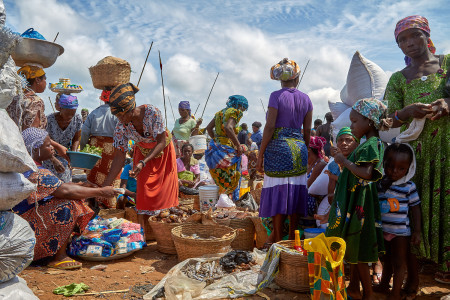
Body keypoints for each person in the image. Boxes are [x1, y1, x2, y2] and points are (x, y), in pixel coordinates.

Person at [384, 15, 449, 283]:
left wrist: (447, 102)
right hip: (413, 157)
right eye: (402, 40)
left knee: (446, 204)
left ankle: (446, 262)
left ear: (426, 35)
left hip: (446, 150)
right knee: (416, 205)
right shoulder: (398, 79)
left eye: (414, 36)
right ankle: (422, 259)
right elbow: (386, 122)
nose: (409, 43)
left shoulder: (447, 65)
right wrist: (404, 112)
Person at [12, 128, 117, 269]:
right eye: (48, 145)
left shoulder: (30, 166)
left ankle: (58, 248)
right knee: (70, 203)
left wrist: (79, 185)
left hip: (23, 219)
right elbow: (65, 191)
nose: (52, 149)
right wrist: (102, 191)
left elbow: (58, 187)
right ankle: (57, 257)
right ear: (36, 148)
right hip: (27, 225)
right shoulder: (35, 171)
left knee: (73, 198)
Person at [326, 98, 389, 300]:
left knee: (359, 249)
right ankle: (354, 288)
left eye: (354, 121)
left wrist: (344, 161)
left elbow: (368, 173)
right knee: (353, 246)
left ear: (369, 121)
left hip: (360, 204)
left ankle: (368, 294)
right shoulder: (366, 144)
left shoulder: (372, 144)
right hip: (356, 201)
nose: (351, 126)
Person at [101, 83, 178, 239]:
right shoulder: (120, 126)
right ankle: (142, 235)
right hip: (141, 154)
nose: (121, 119)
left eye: (123, 115)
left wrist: (144, 162)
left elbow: (161, 141)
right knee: (143, 192)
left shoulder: (152, 113)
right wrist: (106, 184)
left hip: (162, 153)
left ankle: (165, 234)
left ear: (132, 108)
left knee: (164, 191)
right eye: (117, 116)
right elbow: (119, 156)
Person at [256, 58, 313, 244]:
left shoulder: (276, 96)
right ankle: (295, 239)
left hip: (278, 148)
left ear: (280, 79)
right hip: (299, 148)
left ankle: (279, 240)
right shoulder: (306, 99)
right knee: (295, 194)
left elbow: (270, 127)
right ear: (297, 78)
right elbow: (307, 131)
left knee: (278, 193)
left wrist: (260, 154)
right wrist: (303, 151)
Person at [374, 143, 421, 300]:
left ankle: (395, 293)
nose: (394, 171)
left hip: (400, 233)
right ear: (384, 163)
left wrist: (417, 231)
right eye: (390, 166)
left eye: (401, 168)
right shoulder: (380, 183)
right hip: (383, 229)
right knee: (385, 260)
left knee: (399, 263)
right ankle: (384, 284)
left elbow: (415, 209)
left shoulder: (409, 186)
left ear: (409, 168)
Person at [6, 64, 68, 172]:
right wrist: (55, 152)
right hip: (27, 157)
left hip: (10, 149)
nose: (45, 82)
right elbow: (33, 137)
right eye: (45, 79)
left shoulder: (13, 99)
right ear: (37, 80)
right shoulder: (35, 101)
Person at [80, 87, 119, 208]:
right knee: (111, 178)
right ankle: (109, 209)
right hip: (112, 152)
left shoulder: (94, 112)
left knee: (93, 178)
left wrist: (84, 150)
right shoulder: (117, 114)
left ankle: (91, 206)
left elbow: (85, 133)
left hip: (94, 150)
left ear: (103, 99)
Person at [205, 95, 248, 201]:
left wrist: (217, 140)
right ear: (239, 105)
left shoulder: (219, 113)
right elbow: (229, 127)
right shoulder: (235, 112)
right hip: (227, 150)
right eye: (243, 107)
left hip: (216, 149)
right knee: (231, 177)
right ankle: (229, 203)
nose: (242, 110)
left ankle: (220, 202)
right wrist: (238, 146)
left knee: (220, 177)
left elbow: (209, 128)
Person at [314, 127, 359, 228]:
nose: (344, 143)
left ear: (356, 144)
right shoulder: (334, 165)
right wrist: (333, 201)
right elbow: (331, 190)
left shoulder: (359, 163)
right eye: (340, 140)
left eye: (348, 140)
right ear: (336, 144)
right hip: (338, 201)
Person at [43, 94, 82, 182]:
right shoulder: (49, 120)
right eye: (67, 113)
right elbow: (44, 140)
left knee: (65, 185)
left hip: (66, 157)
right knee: (50, 185)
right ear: (60, 109)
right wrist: (53, 158)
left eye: (72, 113)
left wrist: (73, 156)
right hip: (49, 156)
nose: (70, 117)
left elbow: (76, 138)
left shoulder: (77, 119)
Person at [306, 136, 328, 217]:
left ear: (309, 149)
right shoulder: (311, 164)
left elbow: (307, 187)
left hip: (313, 202)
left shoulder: (320, 165)